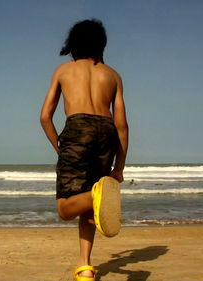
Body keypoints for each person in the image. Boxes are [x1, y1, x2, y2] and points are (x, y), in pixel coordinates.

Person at [40, 19, 128, 281]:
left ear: (73, 44)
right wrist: (119, 167)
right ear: (101, 45)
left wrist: (60, 145)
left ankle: (95, 196)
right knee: (92, 203)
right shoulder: (113, 75)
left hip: (78, 128)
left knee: (66, 208)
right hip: (106, 131)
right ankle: (85, 267)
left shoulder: (63, 71)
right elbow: (121, 124)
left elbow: (45, 116)